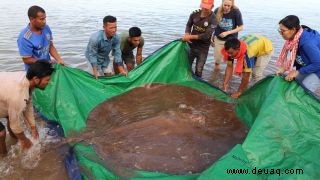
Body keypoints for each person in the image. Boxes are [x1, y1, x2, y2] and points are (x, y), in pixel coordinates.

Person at [0, 61, 54, 156]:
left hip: (4, 92)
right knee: (1, 134)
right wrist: (24, 140)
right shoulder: (18, 95)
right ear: (36, 79)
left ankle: (14, 141)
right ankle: (3, 157)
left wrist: (33, 127)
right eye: (47, 80)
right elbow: (15, 125)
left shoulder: (27, 80)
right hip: (10, 94)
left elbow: (28, 104)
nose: (49, 83)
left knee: (10, 115)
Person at [276, 15, 320, 93]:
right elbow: (298, 57)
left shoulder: (308, 43)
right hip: (309, 65)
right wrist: (284, 68)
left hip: (318, 67)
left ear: (293, 30)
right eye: (280, 30)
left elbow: (318, 63)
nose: (281, 33)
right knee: (293, 82)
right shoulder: (294, 40)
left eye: (283, 31)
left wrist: (298, 72)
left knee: (303, 91)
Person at [17, 5, 64, 71]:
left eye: (45, 18)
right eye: (41, 19)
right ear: (32, 19)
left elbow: (50, 46)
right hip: (35, 70)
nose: (44, 21)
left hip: (47, 65)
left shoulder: (46, 28)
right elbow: (27, 59)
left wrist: (59, 59)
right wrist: (46, 62)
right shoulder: (25, 37)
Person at [182, 0, 218, 77]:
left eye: (207, 7)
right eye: (203, 6)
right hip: (191, 45)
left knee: (199, 69)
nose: (204, 9)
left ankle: (197, 83)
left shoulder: (214, 19)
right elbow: (188, 25)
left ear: (212, 7)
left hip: (203, 48)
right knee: (186, 65)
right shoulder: (194, 13)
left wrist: (190, 37)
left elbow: (206, 35)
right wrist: (187, 33)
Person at [212, 0, 243, 70]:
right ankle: (215, 77)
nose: (226, 7)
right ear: (222, 3)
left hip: (231, 41)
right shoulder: (217, 10)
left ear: (232, 5)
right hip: (219, 39)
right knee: (217, 61)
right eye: (225, 5)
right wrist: (213, 34)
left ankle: (228, 78)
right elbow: (213, 24)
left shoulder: (236, 12)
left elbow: (241, 27)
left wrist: (227, 32)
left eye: (228, 6)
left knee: (229, 62)